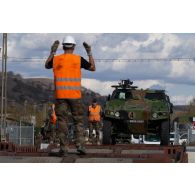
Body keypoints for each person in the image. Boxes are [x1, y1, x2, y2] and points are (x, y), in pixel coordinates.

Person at [45, 35, 95, 156]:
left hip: (60, 96)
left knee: (62, 121)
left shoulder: (56, 59)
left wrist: (52, 52)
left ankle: (64, 149)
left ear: (63, 46)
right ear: (73, 46)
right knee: (78, 121)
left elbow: (46, 65)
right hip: (74, 95)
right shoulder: (78, 59)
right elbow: (93, 68)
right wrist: (89, 53)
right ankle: (80, 146)